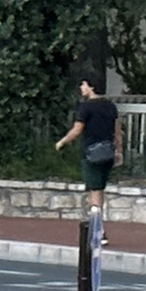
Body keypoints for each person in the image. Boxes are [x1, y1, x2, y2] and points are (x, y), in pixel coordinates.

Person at [53, 75, 119, 216]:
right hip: (108, 151)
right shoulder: (110, 106)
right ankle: (98, 221)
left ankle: (96, 226)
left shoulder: (86, 107)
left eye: (83, 85)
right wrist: (119, 150)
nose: (81, 88)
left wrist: (62, 142)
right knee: (100, 189)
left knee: (93, 189)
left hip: (91, 152)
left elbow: (77, 130)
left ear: (91, 87)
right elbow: (118, 130)